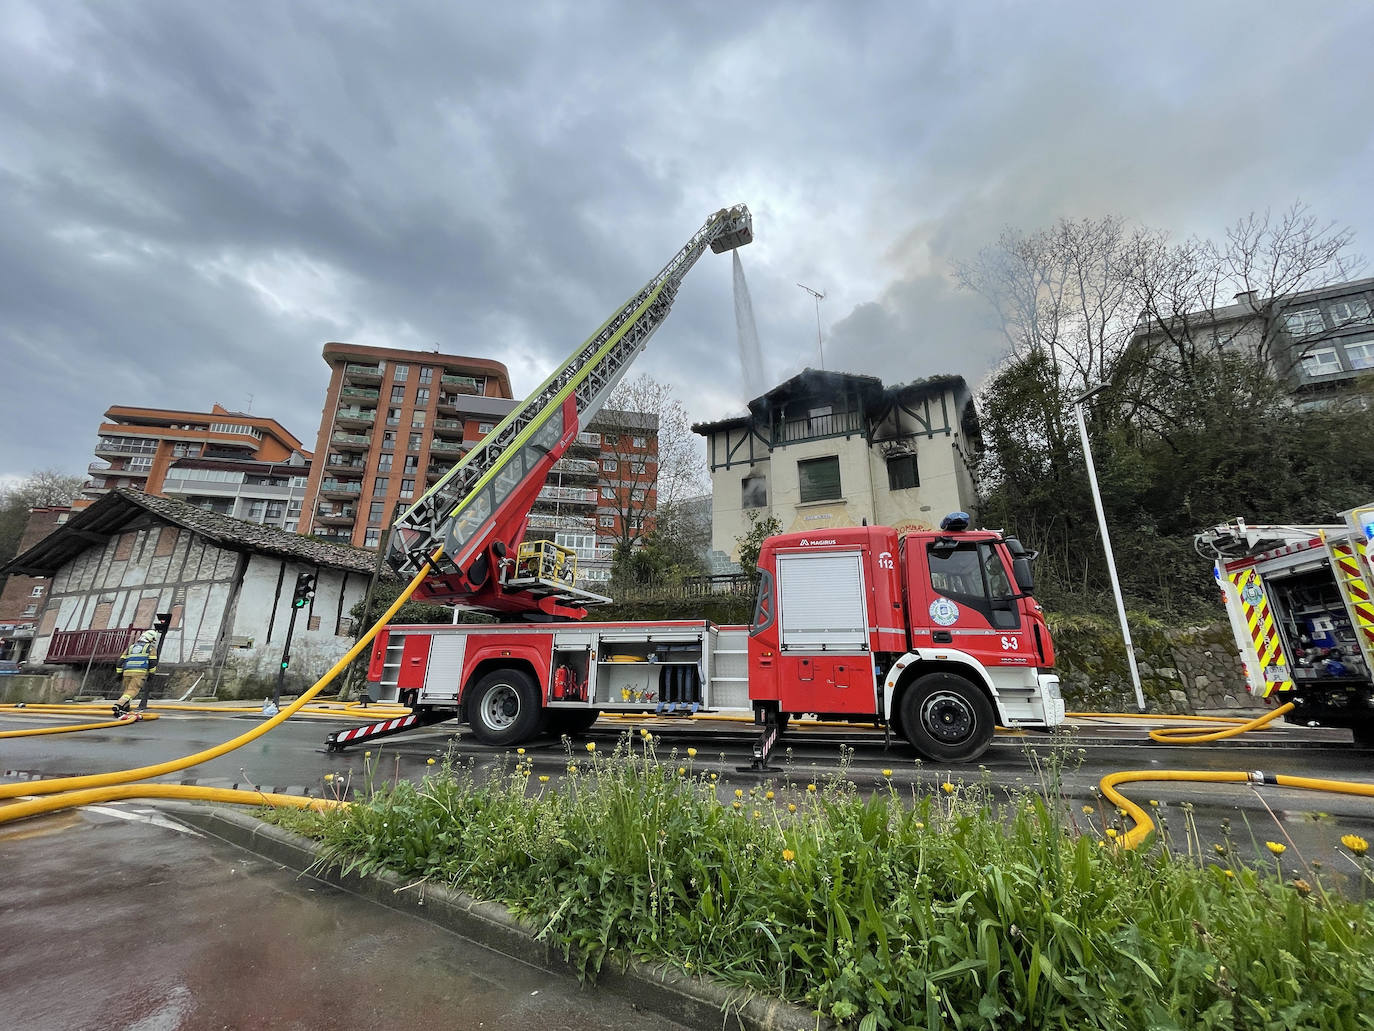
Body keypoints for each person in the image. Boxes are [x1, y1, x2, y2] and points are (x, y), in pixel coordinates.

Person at [113, 629, 159, 716]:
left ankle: (124, 709)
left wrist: (119, 673)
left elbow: (120, 661)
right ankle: (119, 704)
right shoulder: (150, 648)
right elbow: (152, 663)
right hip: (139, 673)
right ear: (150, 639)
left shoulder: (130, 647)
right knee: (132, 691)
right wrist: (151, 674)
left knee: (127, 691)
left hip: (127, 672)